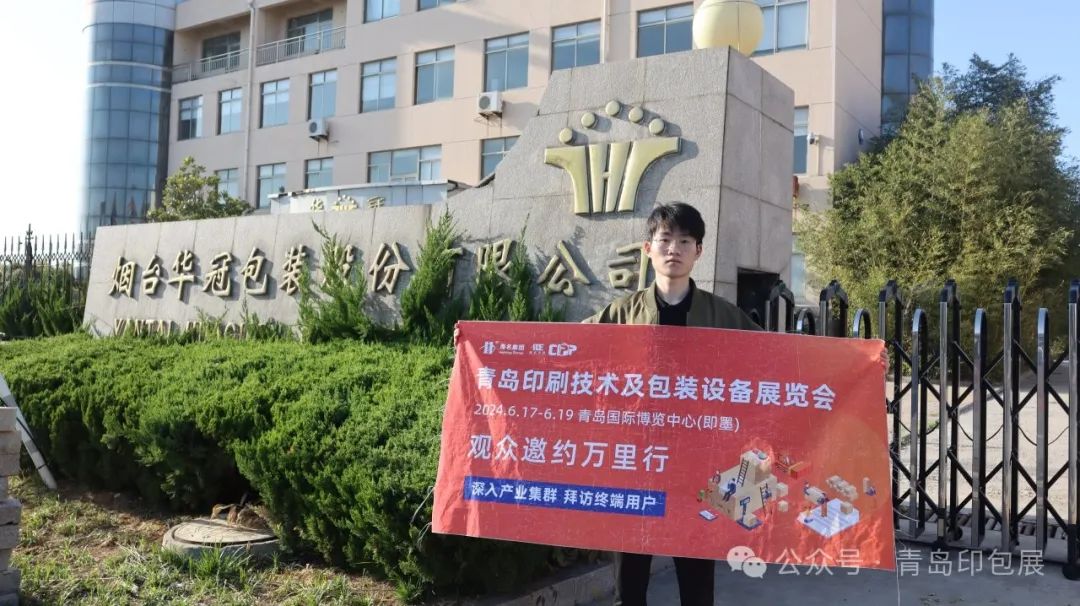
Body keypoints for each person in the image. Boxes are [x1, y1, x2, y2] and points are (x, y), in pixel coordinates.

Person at [585, 202, 760, 606]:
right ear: (648, 248)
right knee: (629, 588)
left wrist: (858, 362)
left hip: (697, 466)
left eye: (684, 241)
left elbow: (780, 358)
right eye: (665, 240)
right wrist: (485, 346)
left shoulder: (722, 316)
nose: (674, 249)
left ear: (699, 251)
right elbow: (565, 348)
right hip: (636, 462)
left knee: (697, 589)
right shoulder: (622, 313)